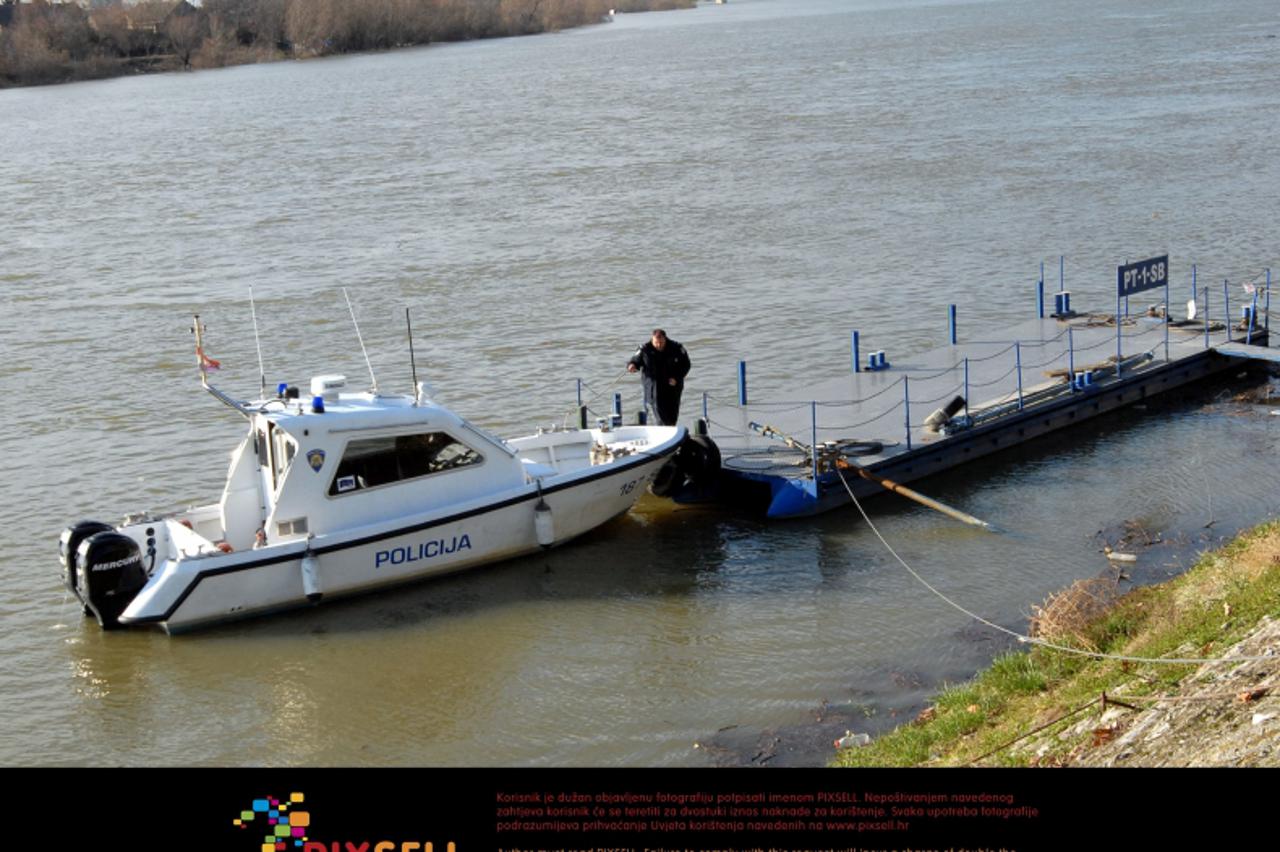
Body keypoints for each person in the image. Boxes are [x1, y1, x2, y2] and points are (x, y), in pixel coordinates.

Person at [627, 328, 691, 426]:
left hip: (672, 387)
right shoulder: (644, 349)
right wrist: (632, 365)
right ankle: (666, 434)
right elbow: (635, 359)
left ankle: (672, 433)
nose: (658, 345)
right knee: (662, 419)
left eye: (661, 342)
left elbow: (686, 365)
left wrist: (677, 378)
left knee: (672, 418)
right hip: (654, 389)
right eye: (656, 342)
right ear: (652, 339)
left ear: (665, 339)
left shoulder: (677, 348)